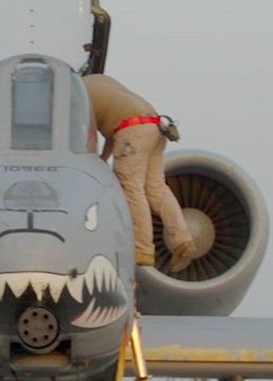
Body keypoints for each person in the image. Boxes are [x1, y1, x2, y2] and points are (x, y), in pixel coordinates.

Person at [82, 73, 197, 272]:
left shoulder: (77, 91)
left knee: (131, 189)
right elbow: (113, 131)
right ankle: (182, 241)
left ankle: (143, 250)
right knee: (156, 189)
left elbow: (88, 133)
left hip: (131, 131)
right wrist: (103, 158)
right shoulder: (98, 81)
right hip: (155, 127)